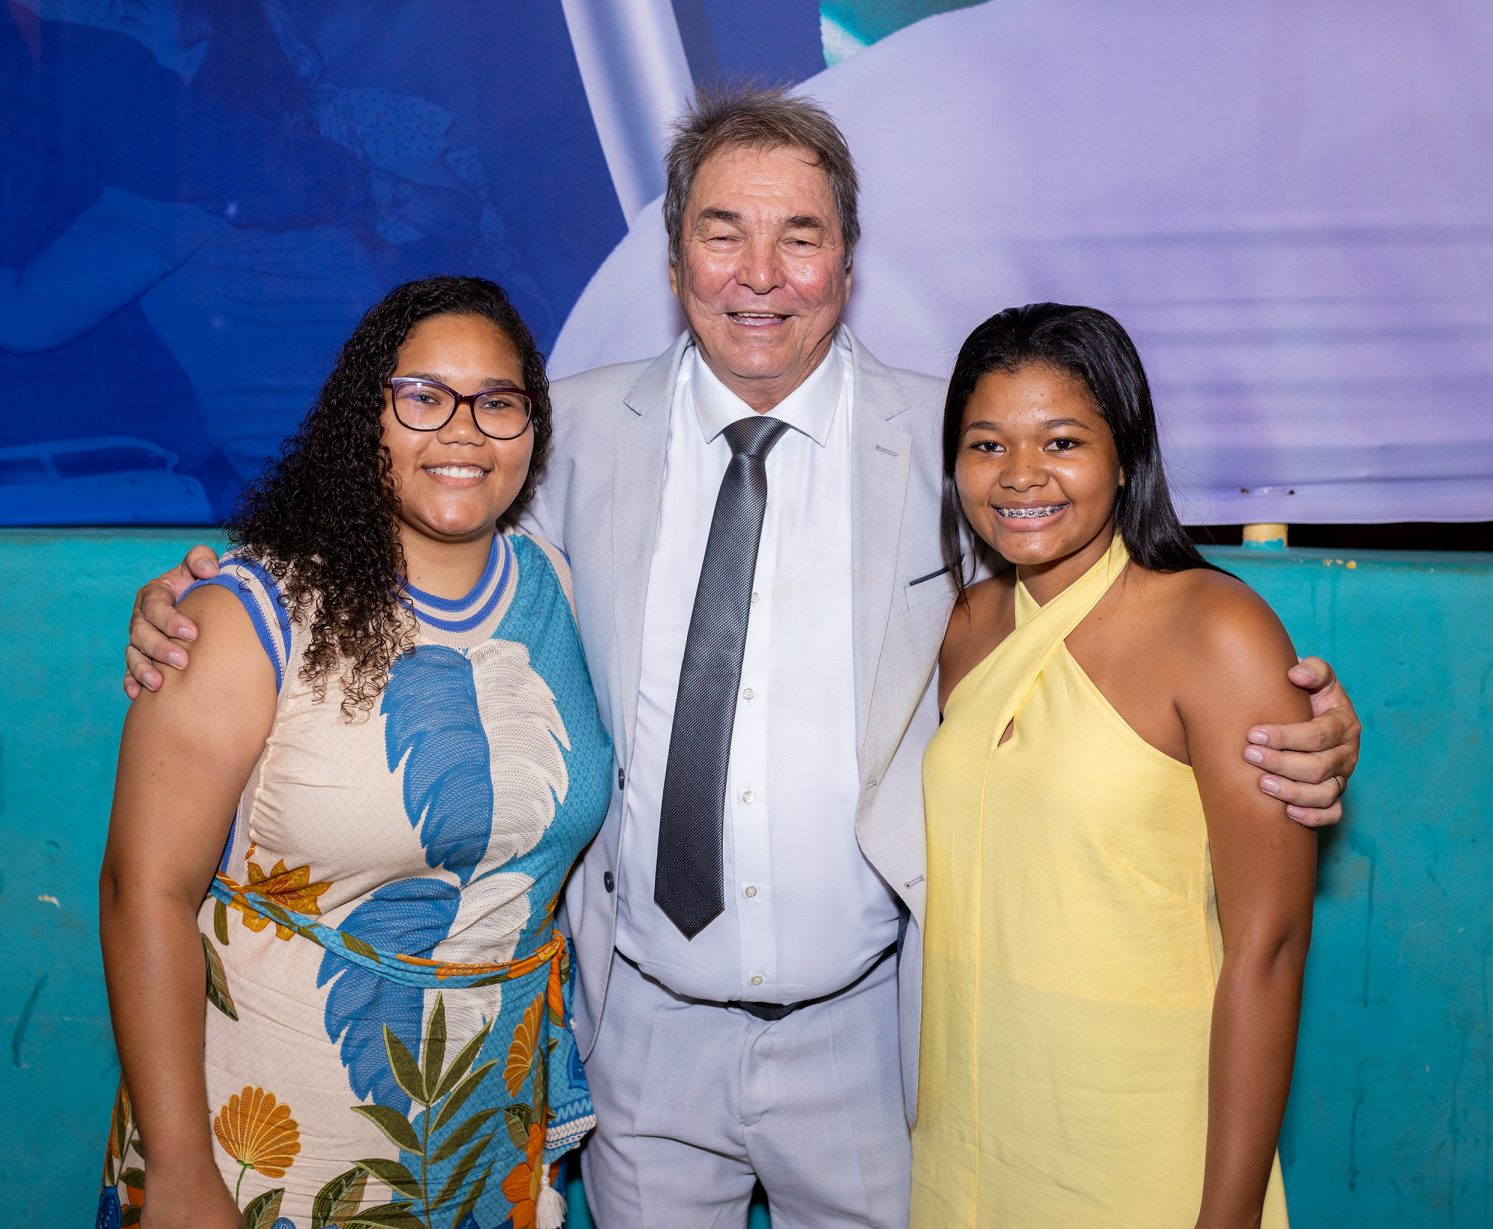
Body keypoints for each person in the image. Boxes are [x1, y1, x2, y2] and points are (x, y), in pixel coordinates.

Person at [124, 86, 1359, 1229]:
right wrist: (198, 600)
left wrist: (1290, 725)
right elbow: (406, 537)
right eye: (723, 233)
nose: (760, 274)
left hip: (871, 1032)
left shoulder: (962, 442)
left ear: (848, 264)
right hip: (637, 1026)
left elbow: (1108, 610)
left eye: (799, 236)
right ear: (674, 262)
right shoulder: (556, 431)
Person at [99, 276, 609, 1229]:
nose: (463, 430)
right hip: (262, 1148)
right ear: (363, 417)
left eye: (497, 402)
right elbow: (144, 890)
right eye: (423, 396)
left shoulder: (559, 587)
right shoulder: (249, 616)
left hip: (487, 1143)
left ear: (532, 429)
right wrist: (179, 1167)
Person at [912, 303, 1317, 1227]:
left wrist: (1227, 1216)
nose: (1021, 474)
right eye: (986, 445)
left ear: (1126, 455)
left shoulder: (1217, 630)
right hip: (976, 1133)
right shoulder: (966, 626)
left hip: (1143, 1133)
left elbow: (1269, 946)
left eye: (1062, 441)